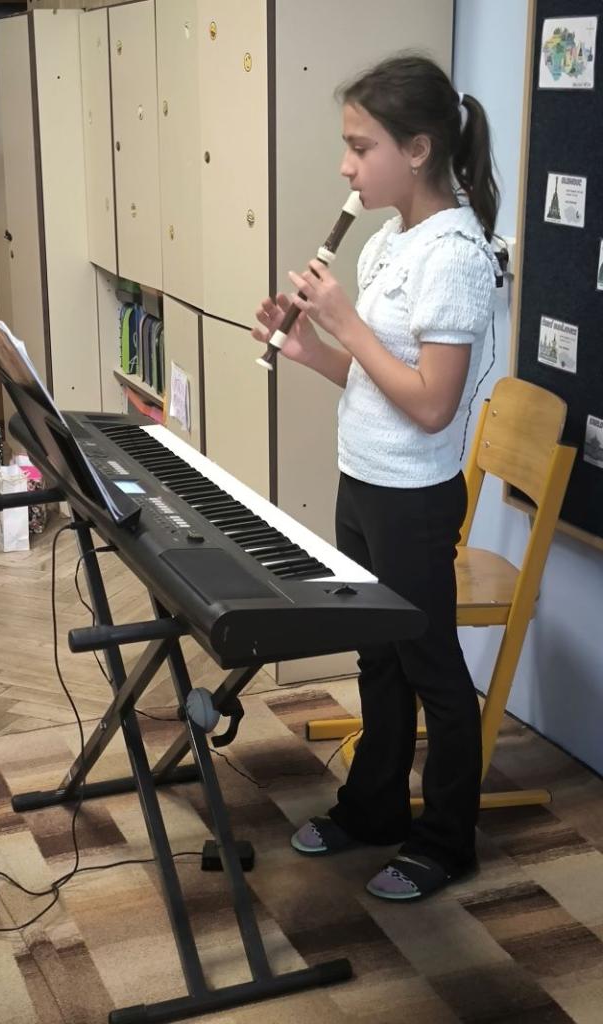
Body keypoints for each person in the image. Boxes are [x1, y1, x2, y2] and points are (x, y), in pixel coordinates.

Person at [252, 55, 502, 901]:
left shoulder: (456, 255)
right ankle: (374, 809)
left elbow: (431, 406)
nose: (346, 166)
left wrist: (347, 322)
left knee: (432, 669)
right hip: (363, 479)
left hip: (415, 498)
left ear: (419, 149)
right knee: (378, 660)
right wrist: (306, 346)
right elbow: (373, 381)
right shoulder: (390, 240)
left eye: (361, 147)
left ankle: (448, 840)